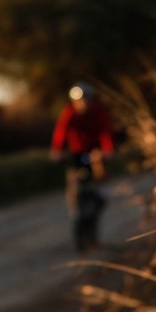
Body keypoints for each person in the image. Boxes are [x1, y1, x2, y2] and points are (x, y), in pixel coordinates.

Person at [50, 83, 115, 215]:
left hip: (94, 151)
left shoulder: (99, 112)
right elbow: (61, 131)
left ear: (91, 99)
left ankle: (100, 196)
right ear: (74, 102)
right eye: (78, 101)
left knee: (99, 173)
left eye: (85, 99)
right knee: (73, 179)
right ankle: (75, 208)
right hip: (76, 152)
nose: (82, 103)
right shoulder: (69, 112)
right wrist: (57, 150)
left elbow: (106, 132)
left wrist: (108, 149)